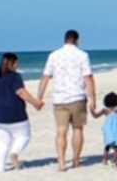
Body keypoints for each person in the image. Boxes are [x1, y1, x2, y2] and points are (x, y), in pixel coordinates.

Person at [37, 30, 96, 172]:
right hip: (77, 97)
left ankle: (62, 163)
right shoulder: (83, 55)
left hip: (59, 99)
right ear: (77, 40)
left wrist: (39, 98)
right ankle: (76, 160)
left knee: (61, 131)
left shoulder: (54, 55)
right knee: (78, 129)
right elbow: (88, 78)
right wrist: (92, 98)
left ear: (65, 40)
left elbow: (45, 77)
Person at [0, 53, 44, 172]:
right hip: (17, 115)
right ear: (12, 64)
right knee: (24, 136)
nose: (18, 65)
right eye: (17, 63)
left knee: (2, 142)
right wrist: (35, 103)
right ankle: (14, 153)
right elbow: (21, 92)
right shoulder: (16, 77)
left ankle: (0, 169)